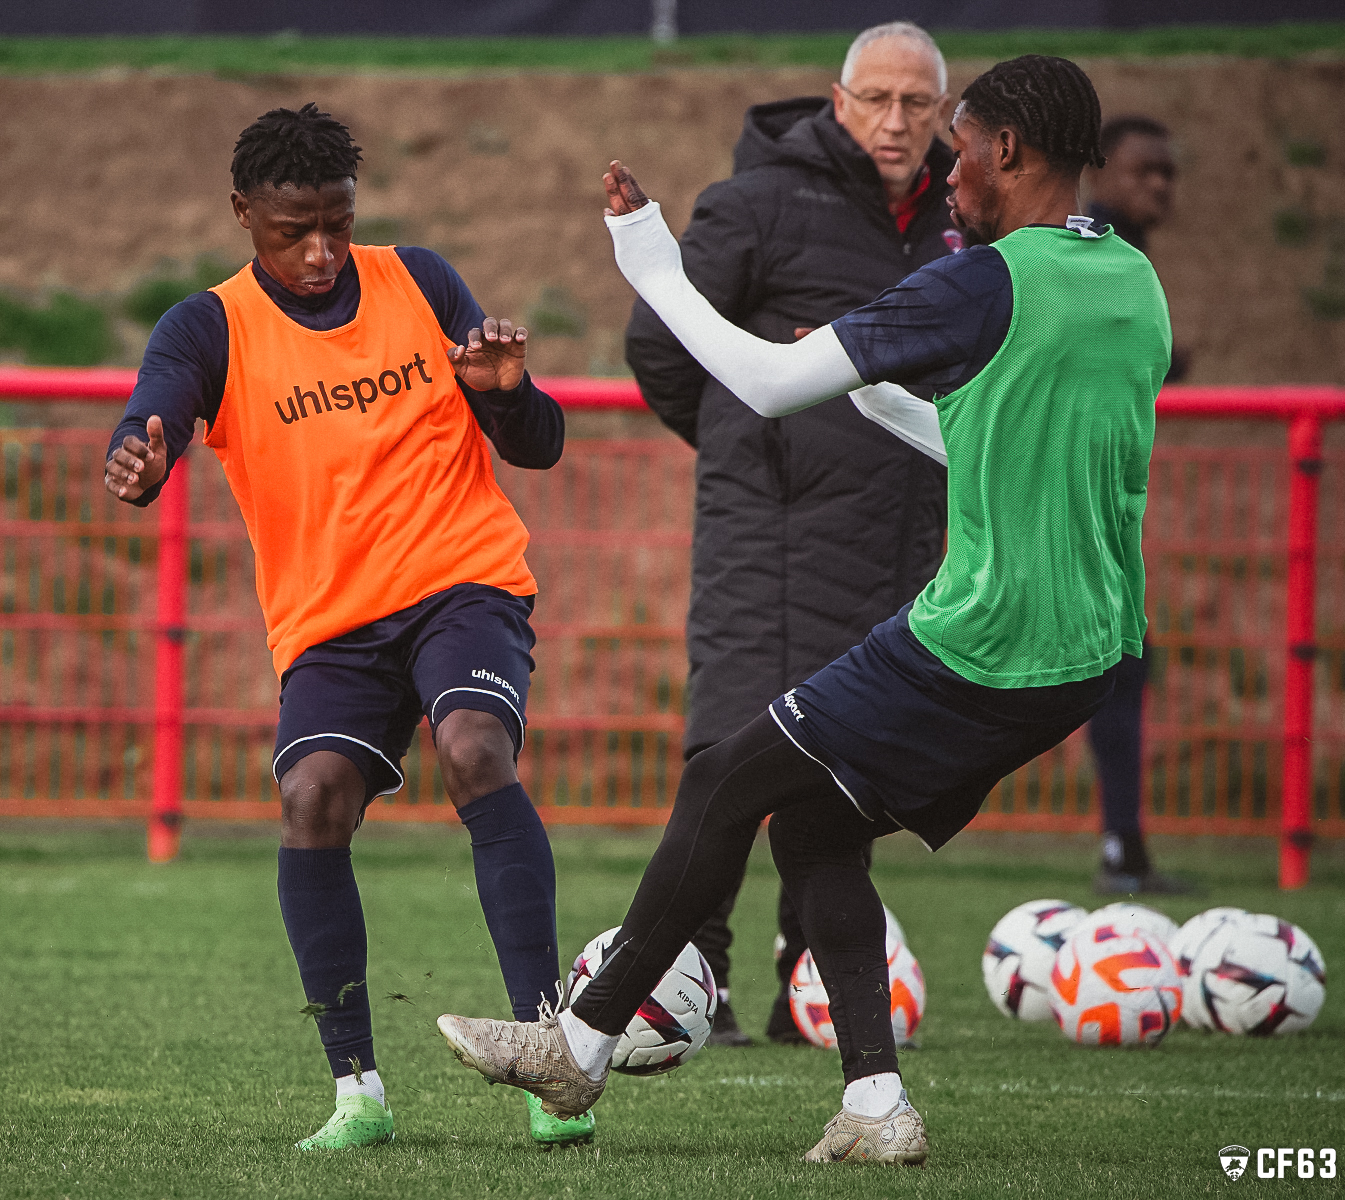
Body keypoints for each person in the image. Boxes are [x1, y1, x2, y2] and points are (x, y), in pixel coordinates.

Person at [438, 55, 1170, 1167]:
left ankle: (576, 1049)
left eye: (957, 142)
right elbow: (1008, 454)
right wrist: (880, 396)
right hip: (1090, 647)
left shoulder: (984, 279)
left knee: (719, 777)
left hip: (983, 635)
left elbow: (767, 382)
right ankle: (874, 1108)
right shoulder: (1127, 278)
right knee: (815, 822)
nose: (945, 164)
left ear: (1008, 153)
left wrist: (651, 265)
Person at [102, 104, 593, 1151]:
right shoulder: (210, 325)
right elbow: (158, 407)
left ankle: (550, 1056)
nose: (321, 249)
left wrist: (507, 399)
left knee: (474, 748)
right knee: (311, 794)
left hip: (461, 584)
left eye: (336, 221)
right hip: (331, 624)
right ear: (243, 215)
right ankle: (357, 1090)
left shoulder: (419, 280)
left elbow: (538, 442)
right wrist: (139, 460)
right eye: (293, 229)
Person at [623, 20, 955, 1047]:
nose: (896, 122)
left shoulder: (962, 220)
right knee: (728, 753)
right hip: (764, 532)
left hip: (897, 537)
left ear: (944, 112)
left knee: (840, 770)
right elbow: (660, 342)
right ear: (836, 97)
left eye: (918, 104)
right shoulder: (757, 201)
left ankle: (805, 988)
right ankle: (695, 979)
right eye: (877, 99)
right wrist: (748, 449)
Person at [1081, 114, 1192, 894]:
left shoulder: (1120, 247)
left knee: (1122, 663)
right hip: (1063, 497)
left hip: (1091, 498)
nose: (1159, 186)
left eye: (1169, 173)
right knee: (1113, 665)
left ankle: (1126, 847)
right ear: (1101, 171)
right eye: (1143, 169)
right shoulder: (1095, 244)